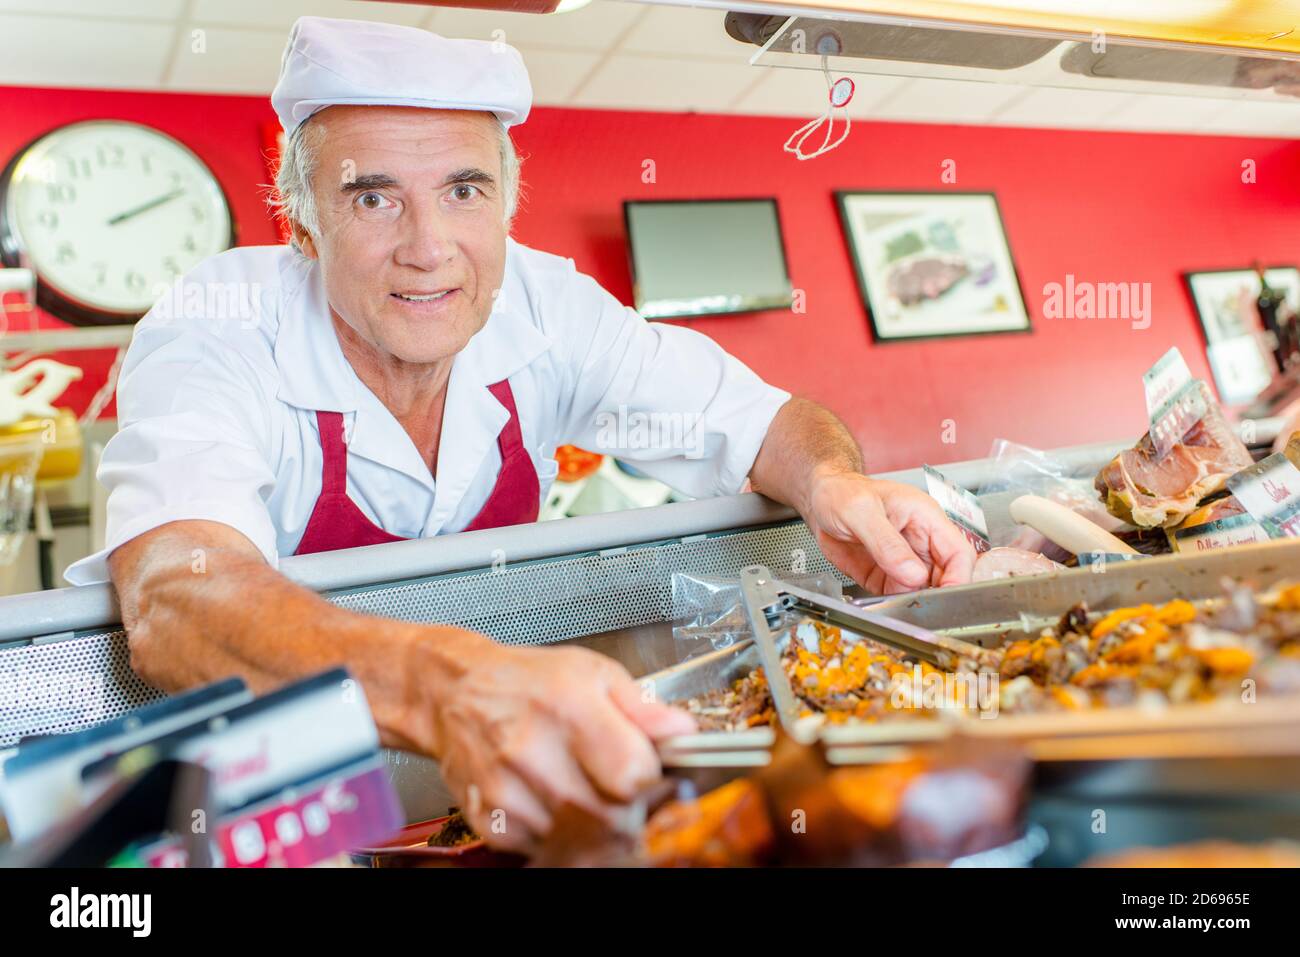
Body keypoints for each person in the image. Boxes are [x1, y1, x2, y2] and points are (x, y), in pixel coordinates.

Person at [65, 17, 975, 852]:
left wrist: (832, 484)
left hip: (491, 778)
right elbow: (175, 599)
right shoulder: (219, 323)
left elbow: (767, 420)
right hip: (278, 793)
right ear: (303, 219)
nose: (428, 246)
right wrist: (448, 686)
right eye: (373, 199)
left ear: (506, 201)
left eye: (464, 190)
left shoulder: (545, 305)